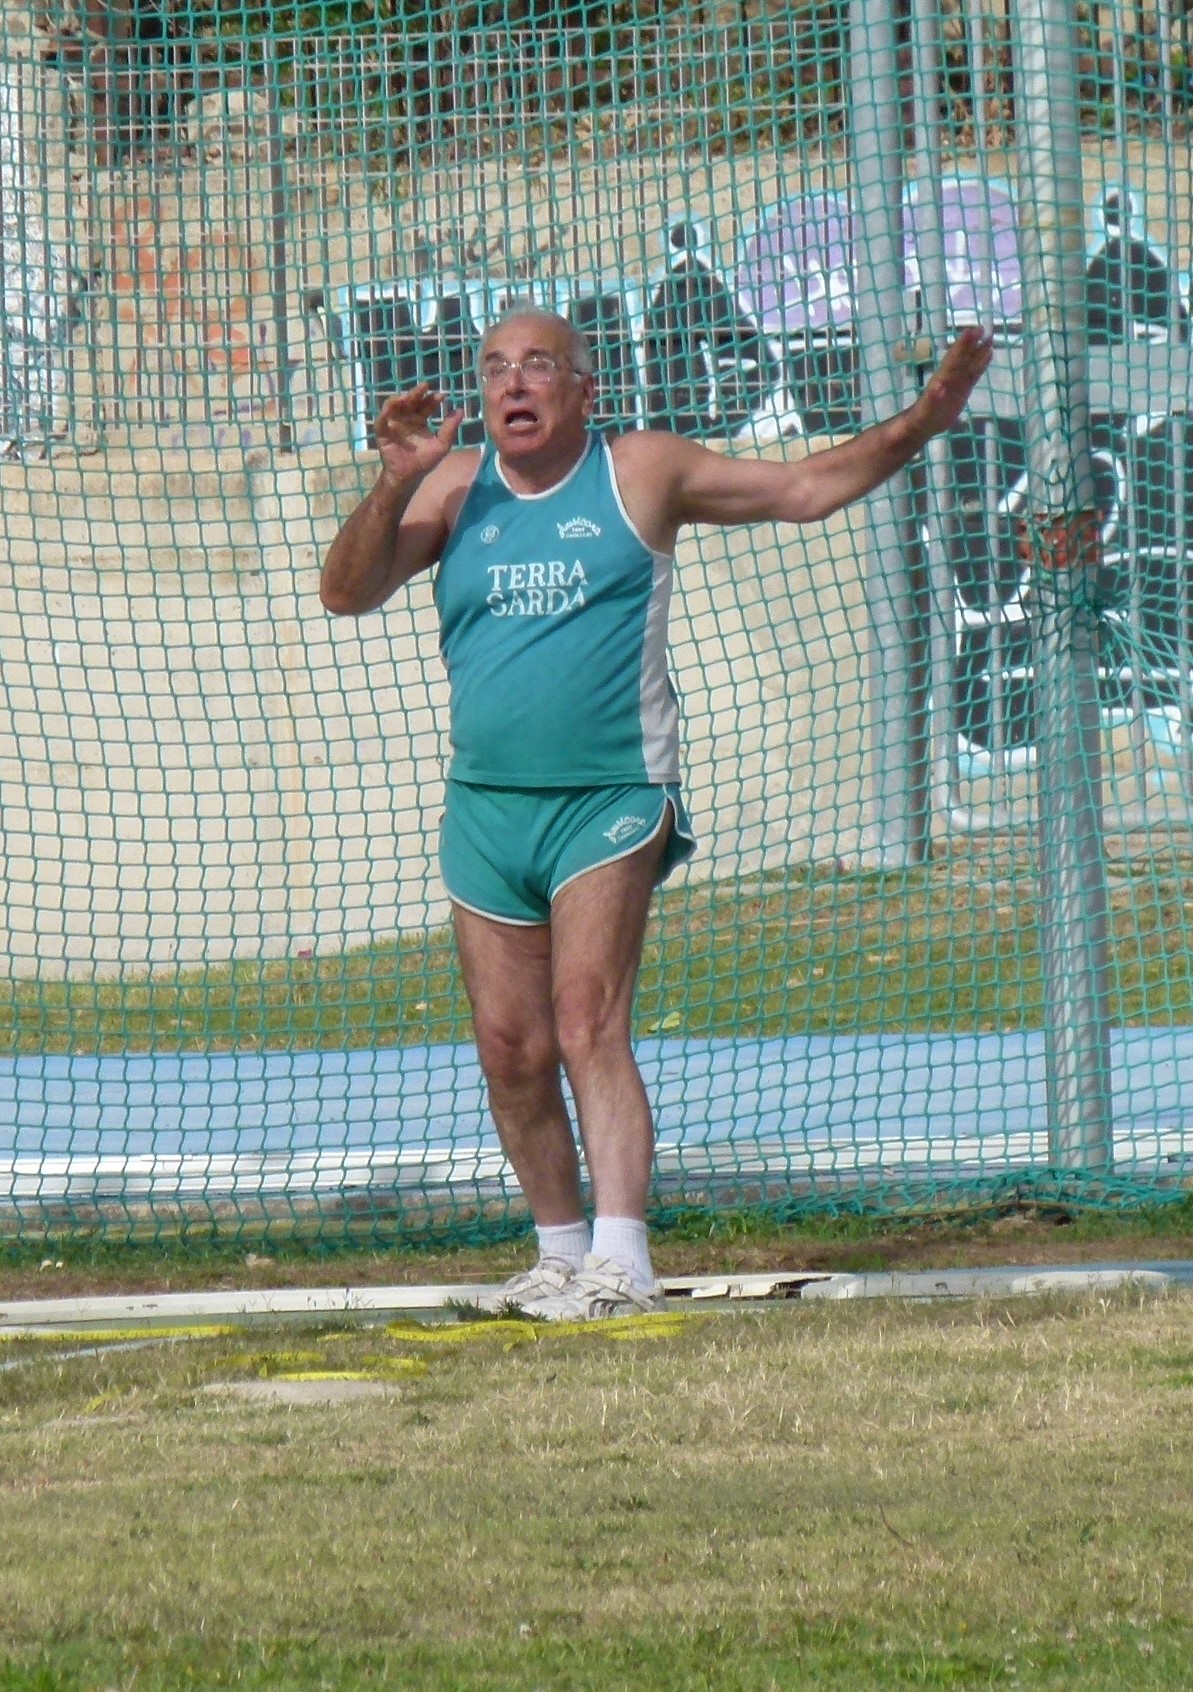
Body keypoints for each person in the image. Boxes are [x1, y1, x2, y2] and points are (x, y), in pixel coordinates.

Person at [321, 305, 993, 1320]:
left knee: (586, 1019)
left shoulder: (638, 470)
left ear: (583, 388)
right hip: (487, 809)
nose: (513, 384)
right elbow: (345, 592)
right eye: (495, 367)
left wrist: (921, 420)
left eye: (537, 365)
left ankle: (622, 1258)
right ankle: (558, 1255)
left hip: (611, 796)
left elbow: (804, 490)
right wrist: (391, 481)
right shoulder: (453, 486)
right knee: (509, 1047)